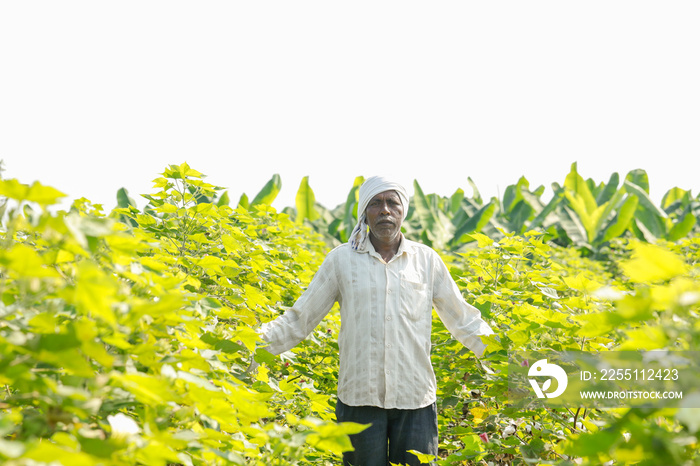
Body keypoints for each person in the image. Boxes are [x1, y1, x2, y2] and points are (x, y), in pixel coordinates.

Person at [258, 176, 495, 466]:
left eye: (392, 203)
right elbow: (300, 319)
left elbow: (464, 319)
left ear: (402, 211)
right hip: (359, 398)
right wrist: (249, 345)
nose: (385, 210)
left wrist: (509, 359)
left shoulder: (426, 261)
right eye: (376, 203)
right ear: (365, 213)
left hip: (415, 398)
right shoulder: (341, 261)